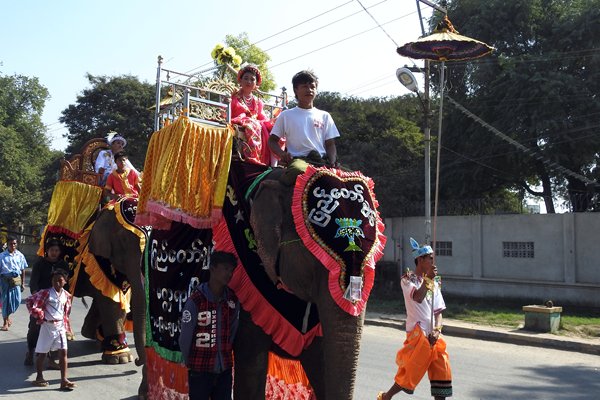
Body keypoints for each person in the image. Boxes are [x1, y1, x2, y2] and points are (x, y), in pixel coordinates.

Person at [377, 238, 452, 400]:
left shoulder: (435, 282)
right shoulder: (407, 279)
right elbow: (417, 297)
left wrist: (437, 330)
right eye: (430, 257)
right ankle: (386, 397)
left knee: (442, 375)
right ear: (420, 260)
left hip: (434, 336)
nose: (433, 260)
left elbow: (439, 311)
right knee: (411, 372)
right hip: (418, 334)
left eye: (433, 257)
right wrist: (428, 280)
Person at [179, 251, 240, 400]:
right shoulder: (196, 300)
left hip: (224, 369)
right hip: (200, 370)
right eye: (225, 268)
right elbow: (185, 337)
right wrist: (191, 363)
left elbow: (232, 330)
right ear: (212, 268)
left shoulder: (231, 299)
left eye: (231, 270)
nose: (229, 274)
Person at [268, 69, 340, 167]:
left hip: (321, 161)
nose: (309, 90)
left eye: (312, 87)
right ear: (296, 90)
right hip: (297, 161)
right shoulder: (286, 115)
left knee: (353, 179)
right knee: (299, 170)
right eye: (305, 86)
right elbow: (272, 141)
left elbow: (330, 144)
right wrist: (282, 154)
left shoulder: (325, 116)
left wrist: (332, 162)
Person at [27, 268, 76, 391]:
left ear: (65, 281)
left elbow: (66, 312)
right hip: (47, 326)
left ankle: (64, 380)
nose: (57, 283)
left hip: (60, 327)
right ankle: (39, 376)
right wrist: (40, 315)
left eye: (60, 281)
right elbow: (30, 301)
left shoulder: (67, 295)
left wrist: (66, 325)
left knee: (63, 352)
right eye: (54, 281)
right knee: (43, 353)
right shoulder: (46, 293)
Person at [25, 239, 69, 366]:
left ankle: (51, 358)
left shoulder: (63, 265)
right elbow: (33, 282)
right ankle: (30, 351)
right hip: (41, 300)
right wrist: (36, 300)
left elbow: (66, 284)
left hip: (56, 303)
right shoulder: (40, 263)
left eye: (56, 250)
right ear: (47, 251)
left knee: (56, 331)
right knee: (35, 327)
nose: (54, 253)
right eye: (52, 250)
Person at [231, 64, 279, 166]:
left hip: (255, 124)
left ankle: (274, 164)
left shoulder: (258, 101)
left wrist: (273, 122)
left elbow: (262, 117)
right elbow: (226, 112)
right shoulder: (234, 97)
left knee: (275, 128)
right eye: (246, 78)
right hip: (239, 122)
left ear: (256, 83)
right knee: (253, 124)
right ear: (240, 80)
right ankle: (253, 157)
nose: (249, 82)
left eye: (252, 80)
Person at [0, 236, 28, 331]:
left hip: (16, 281)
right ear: (7, 244)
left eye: (14, 243)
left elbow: (23, 269)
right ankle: (5, 322)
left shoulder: (20, 255)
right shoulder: (2, 256)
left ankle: (8, 317)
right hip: (4, 281)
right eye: (11, 243)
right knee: (5, 302)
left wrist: (23, 283)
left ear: (17, 244)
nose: (13, 245)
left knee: (17, 301)